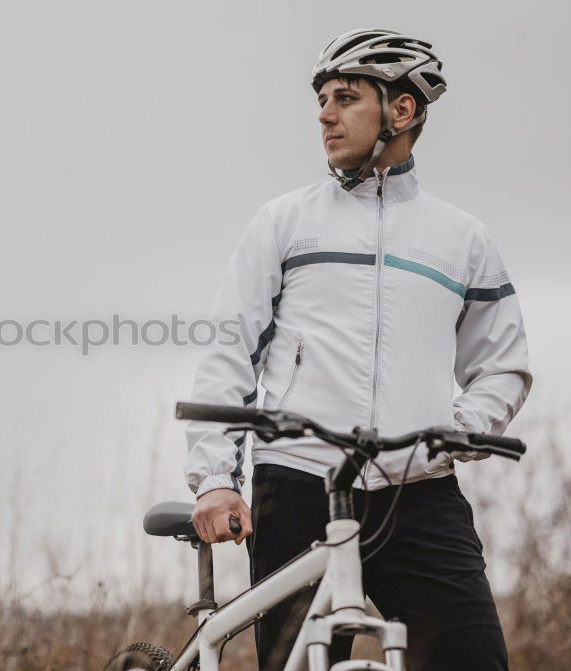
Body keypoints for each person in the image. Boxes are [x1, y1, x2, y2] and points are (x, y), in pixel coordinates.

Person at [183, 28, 532, 671]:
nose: (324, 114)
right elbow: (230, 349)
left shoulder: (463, 239)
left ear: (401, 110)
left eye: (345, 97)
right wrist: (213, 480)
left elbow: (501, 367)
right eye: (322, 98)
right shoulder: (284, 222)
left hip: (417, 488)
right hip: (298, 481)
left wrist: (455, 429)